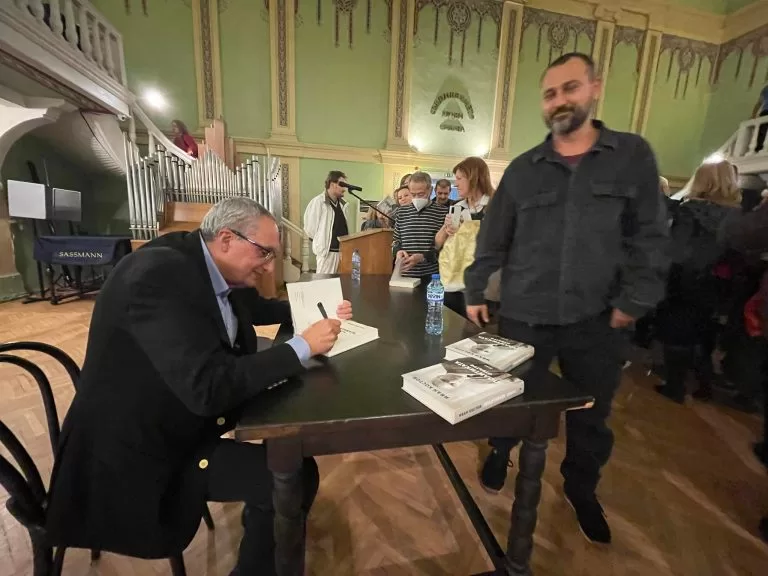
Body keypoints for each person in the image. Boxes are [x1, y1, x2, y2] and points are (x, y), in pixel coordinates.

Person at [45, 198, 352, 576]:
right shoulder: (157, 277)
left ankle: (264, 530)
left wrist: (316, 312)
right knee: (291, 476)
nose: (270, 266)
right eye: (264, 253)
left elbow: (254, 309)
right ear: (226, 239)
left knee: (286, 457)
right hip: (137, 455)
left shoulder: (206, 261)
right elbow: (209, 388)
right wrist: (302, 346)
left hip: (178, 420)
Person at [464, 52, 669, 544]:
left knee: (592, 416)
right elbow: (493, 236)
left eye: (570, 88)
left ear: (594, 88)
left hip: (596, 317)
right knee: (510, 398)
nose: (559, 100)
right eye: (550, 93)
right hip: (524, 313)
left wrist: (635, 298)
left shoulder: (632, 156)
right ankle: (501, 451)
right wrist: (476, 286)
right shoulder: (522, 170)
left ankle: (581, 488)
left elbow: (651, 236)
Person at [655, 162, 741, 404]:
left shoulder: (690, 211)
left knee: (676, 333)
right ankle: (704, 387)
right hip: (719, 282)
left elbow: (677, 251)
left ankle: (675, 387)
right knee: (705, 335)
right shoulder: (737, 215)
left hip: (686, 280)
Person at [435, 157, 494, 316]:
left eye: (460, 178)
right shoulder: (457, 207)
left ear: (474, 177)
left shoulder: (495, 205)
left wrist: (466, 231)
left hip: (484, 287)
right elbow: (438, 243)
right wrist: (446, 229)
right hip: (454, 283)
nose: (456, 184)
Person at [392, 171, 448, 282]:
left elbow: (445, 249)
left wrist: (423, 257)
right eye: (413, 194)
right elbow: (396, 241)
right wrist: (397, 251)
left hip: (432, 277)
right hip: (405, 275)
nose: (416, 197)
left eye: (421, 194)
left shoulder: (443, 212)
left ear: (430, 190)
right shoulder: (401, 212)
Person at [303, 170, 350, 274]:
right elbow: (310, 230)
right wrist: (321, 244)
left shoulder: (343, 205)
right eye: (342, 185)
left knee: (340, 283)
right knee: (324, 282)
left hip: (342, 253)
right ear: (332, 184)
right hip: (327, 255)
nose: (344, 189)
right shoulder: (318, 202)